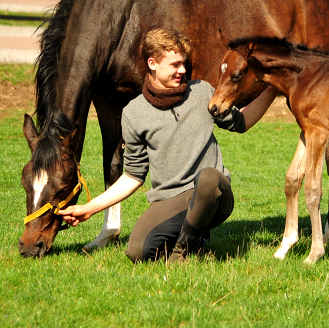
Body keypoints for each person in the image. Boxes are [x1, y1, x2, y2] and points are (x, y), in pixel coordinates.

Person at [59, 27, 277, 263]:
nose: (182, 70)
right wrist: (89, 208)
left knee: (209, 177)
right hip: (171, 199)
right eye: (175, 65)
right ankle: (197, 241)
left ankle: (182, 251)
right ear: (152, 63)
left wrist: (274, 86)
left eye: (183, 63)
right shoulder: (134, 113)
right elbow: (133, 175)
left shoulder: (202, 92)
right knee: (138, 252)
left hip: (214, 195)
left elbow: (242, 122)